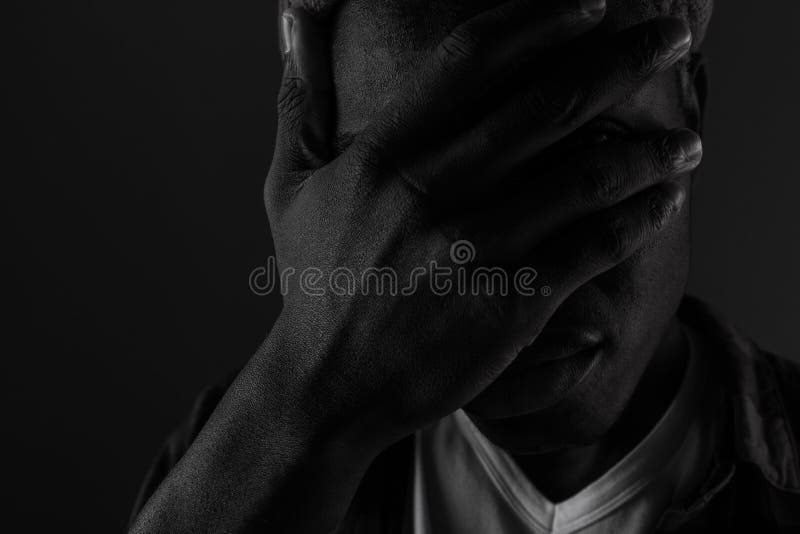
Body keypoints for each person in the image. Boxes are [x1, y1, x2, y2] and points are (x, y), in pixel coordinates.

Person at [128, 0, 800, 532]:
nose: (519, 281)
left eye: (594, 149)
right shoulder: (238, 462)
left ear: (693, 107)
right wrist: (311, 394)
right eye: (424, 189)